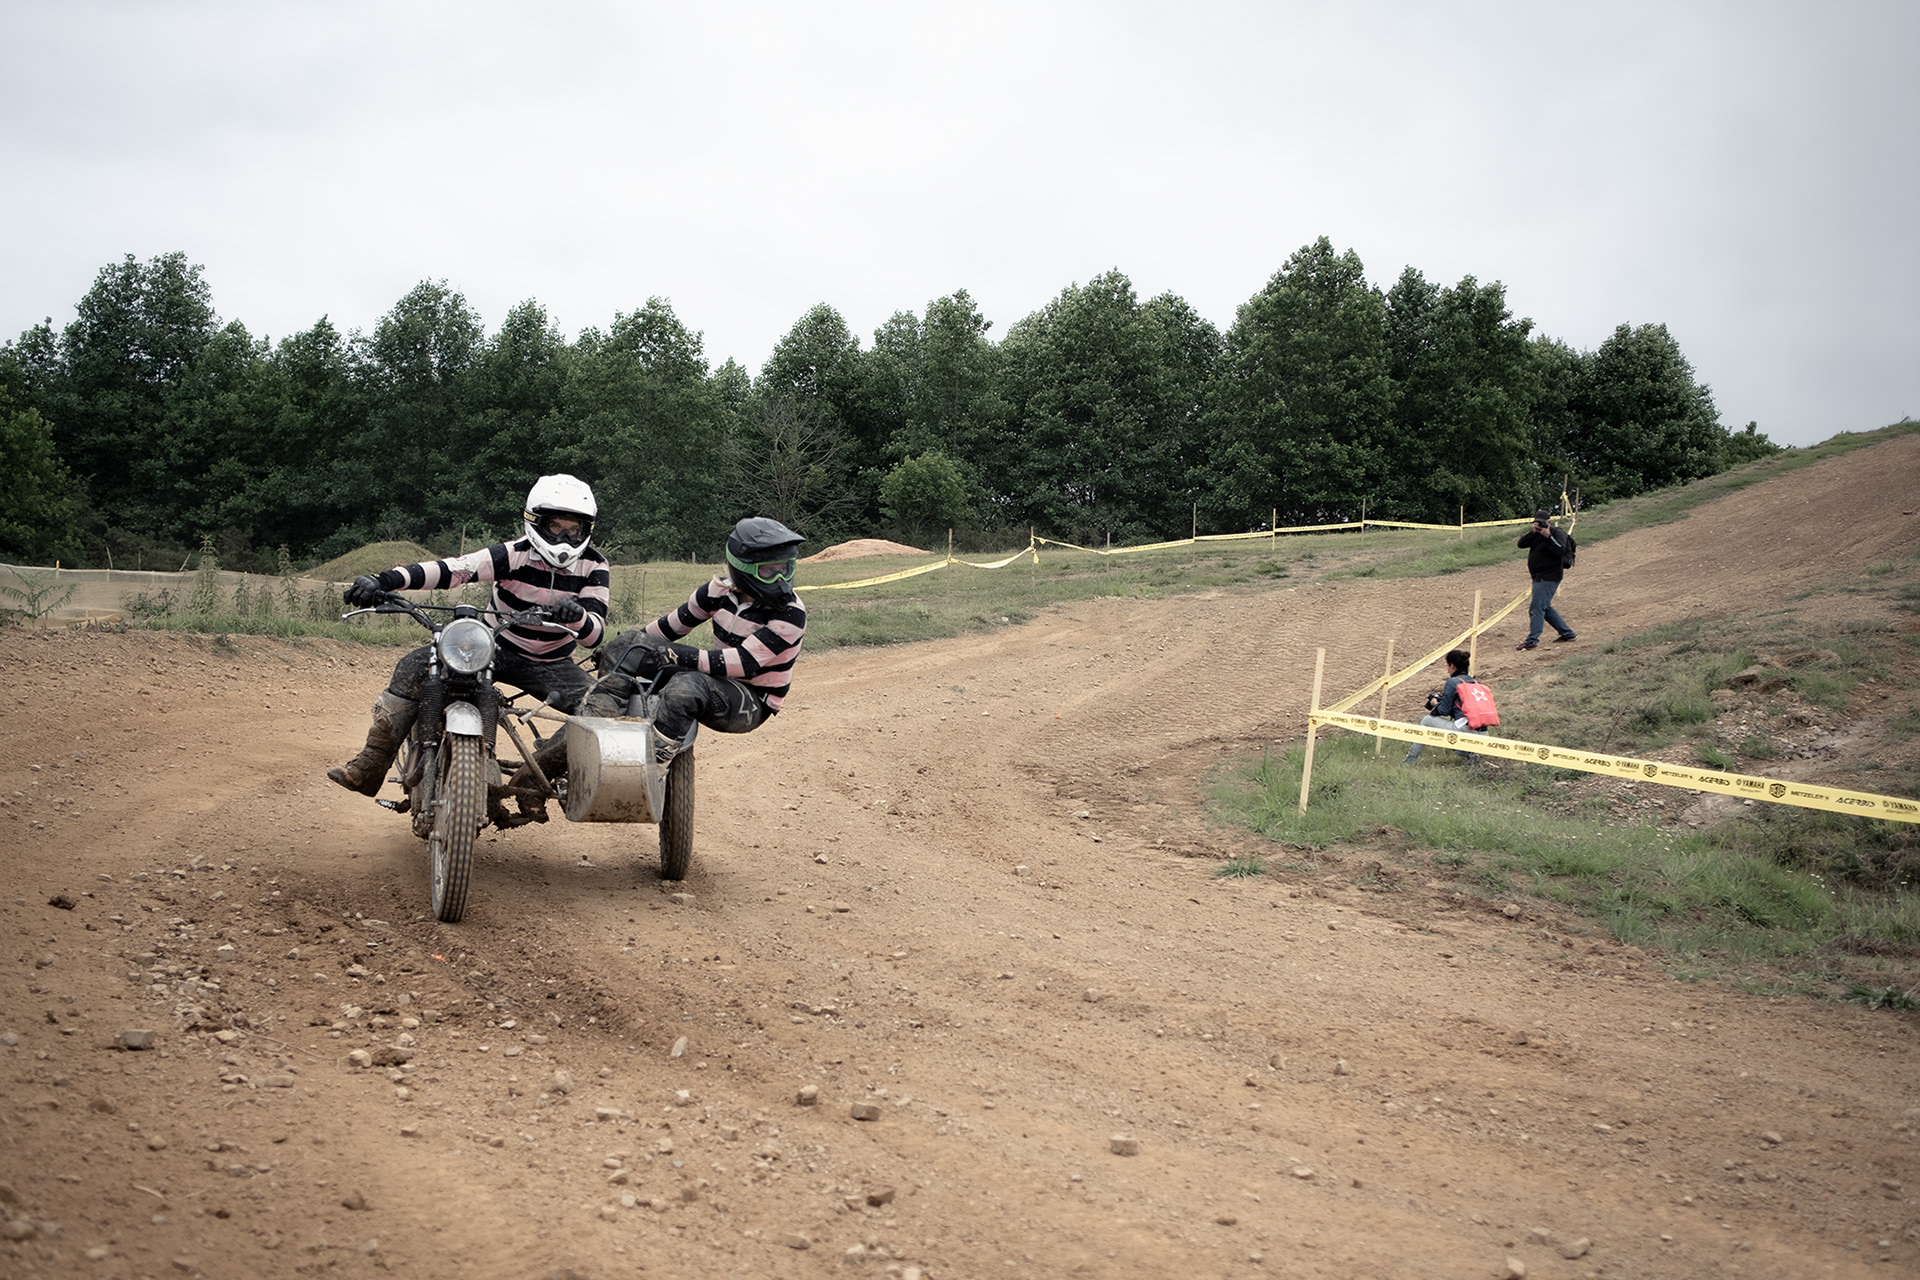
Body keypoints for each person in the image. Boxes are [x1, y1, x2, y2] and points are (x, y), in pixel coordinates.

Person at [326, 474, 611, 795]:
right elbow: (454, 569)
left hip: (554, 663)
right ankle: (371, 764)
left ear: (587, 530)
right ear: (535, 522)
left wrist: (577, 617)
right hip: (492, 648)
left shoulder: (595, 566)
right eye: (556, 527)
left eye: (575, 530)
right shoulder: (513, 553)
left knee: (604, 707)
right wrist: (384, 580)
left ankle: (535, 775)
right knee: (412, 667)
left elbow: (594, 635)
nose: (565, 538)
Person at [587, 517, 808, 762]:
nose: (780, 580)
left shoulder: (791, 613)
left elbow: (744, 662)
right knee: (625, 647)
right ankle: (599, 731)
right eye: (769, 571)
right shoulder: (717, 592)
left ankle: (652, 762)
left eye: (785, 569)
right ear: (741, 568)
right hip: (716, 678)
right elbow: (670, 627)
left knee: (686, 686)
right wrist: (620, 647)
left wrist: (682, 656)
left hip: (752, 699)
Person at [1404, 649, 1488, 763]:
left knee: (1426, 720)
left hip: (1466, 732)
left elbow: (1443, 710)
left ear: (1452, 666)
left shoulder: (1452, 682)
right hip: (1483, 734)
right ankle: (1474, 757)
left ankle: (1410, 759)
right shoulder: (1475, 683)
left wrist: (1435, 704)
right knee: (1456, 735)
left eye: (1447, 666)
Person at [1515, 506, 1577, 650]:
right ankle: (1567, 633)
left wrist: (1548, 536)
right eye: (1537, 522)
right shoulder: (1535, 535)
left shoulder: (1556, 532)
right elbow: (1520, 544)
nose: (1540, 525)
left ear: (1549, 522)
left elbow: (1560, 551)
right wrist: (1534, 531)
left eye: (1542, 522)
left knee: (1536, 608)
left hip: (1549, 576)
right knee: (1545, 607)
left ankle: (1532, 640)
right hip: (1538, 576)